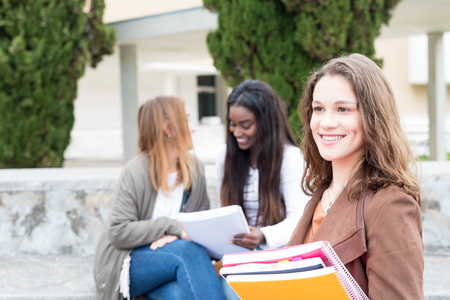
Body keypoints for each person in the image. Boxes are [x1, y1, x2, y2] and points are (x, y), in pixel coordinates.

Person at [287, 53, 423, 299]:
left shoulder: (390, 206)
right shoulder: (320, 195)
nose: (326, 123)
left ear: (373, 117)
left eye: (343, 109)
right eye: (318, 109)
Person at [93, 96, 224, 300]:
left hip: (174, 261)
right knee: (187, 252)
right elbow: (118, 231)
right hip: (128, 261)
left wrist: (179, 235)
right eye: (186, 121)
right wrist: (172, 227)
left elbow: (198, 226)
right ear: (167, 128)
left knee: (179, 295)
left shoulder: (194, 169)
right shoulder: (135, 172)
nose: (193, 128)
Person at [216, 79, 309, 250]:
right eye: (232, 124)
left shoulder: (290, 159)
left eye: (245, 125)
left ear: (266, 123)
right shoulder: (225, 157)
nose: (237, 132)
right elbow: (223, 212)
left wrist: (263, 236)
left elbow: (300, 220)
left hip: (279, 253)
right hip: (237, 253)